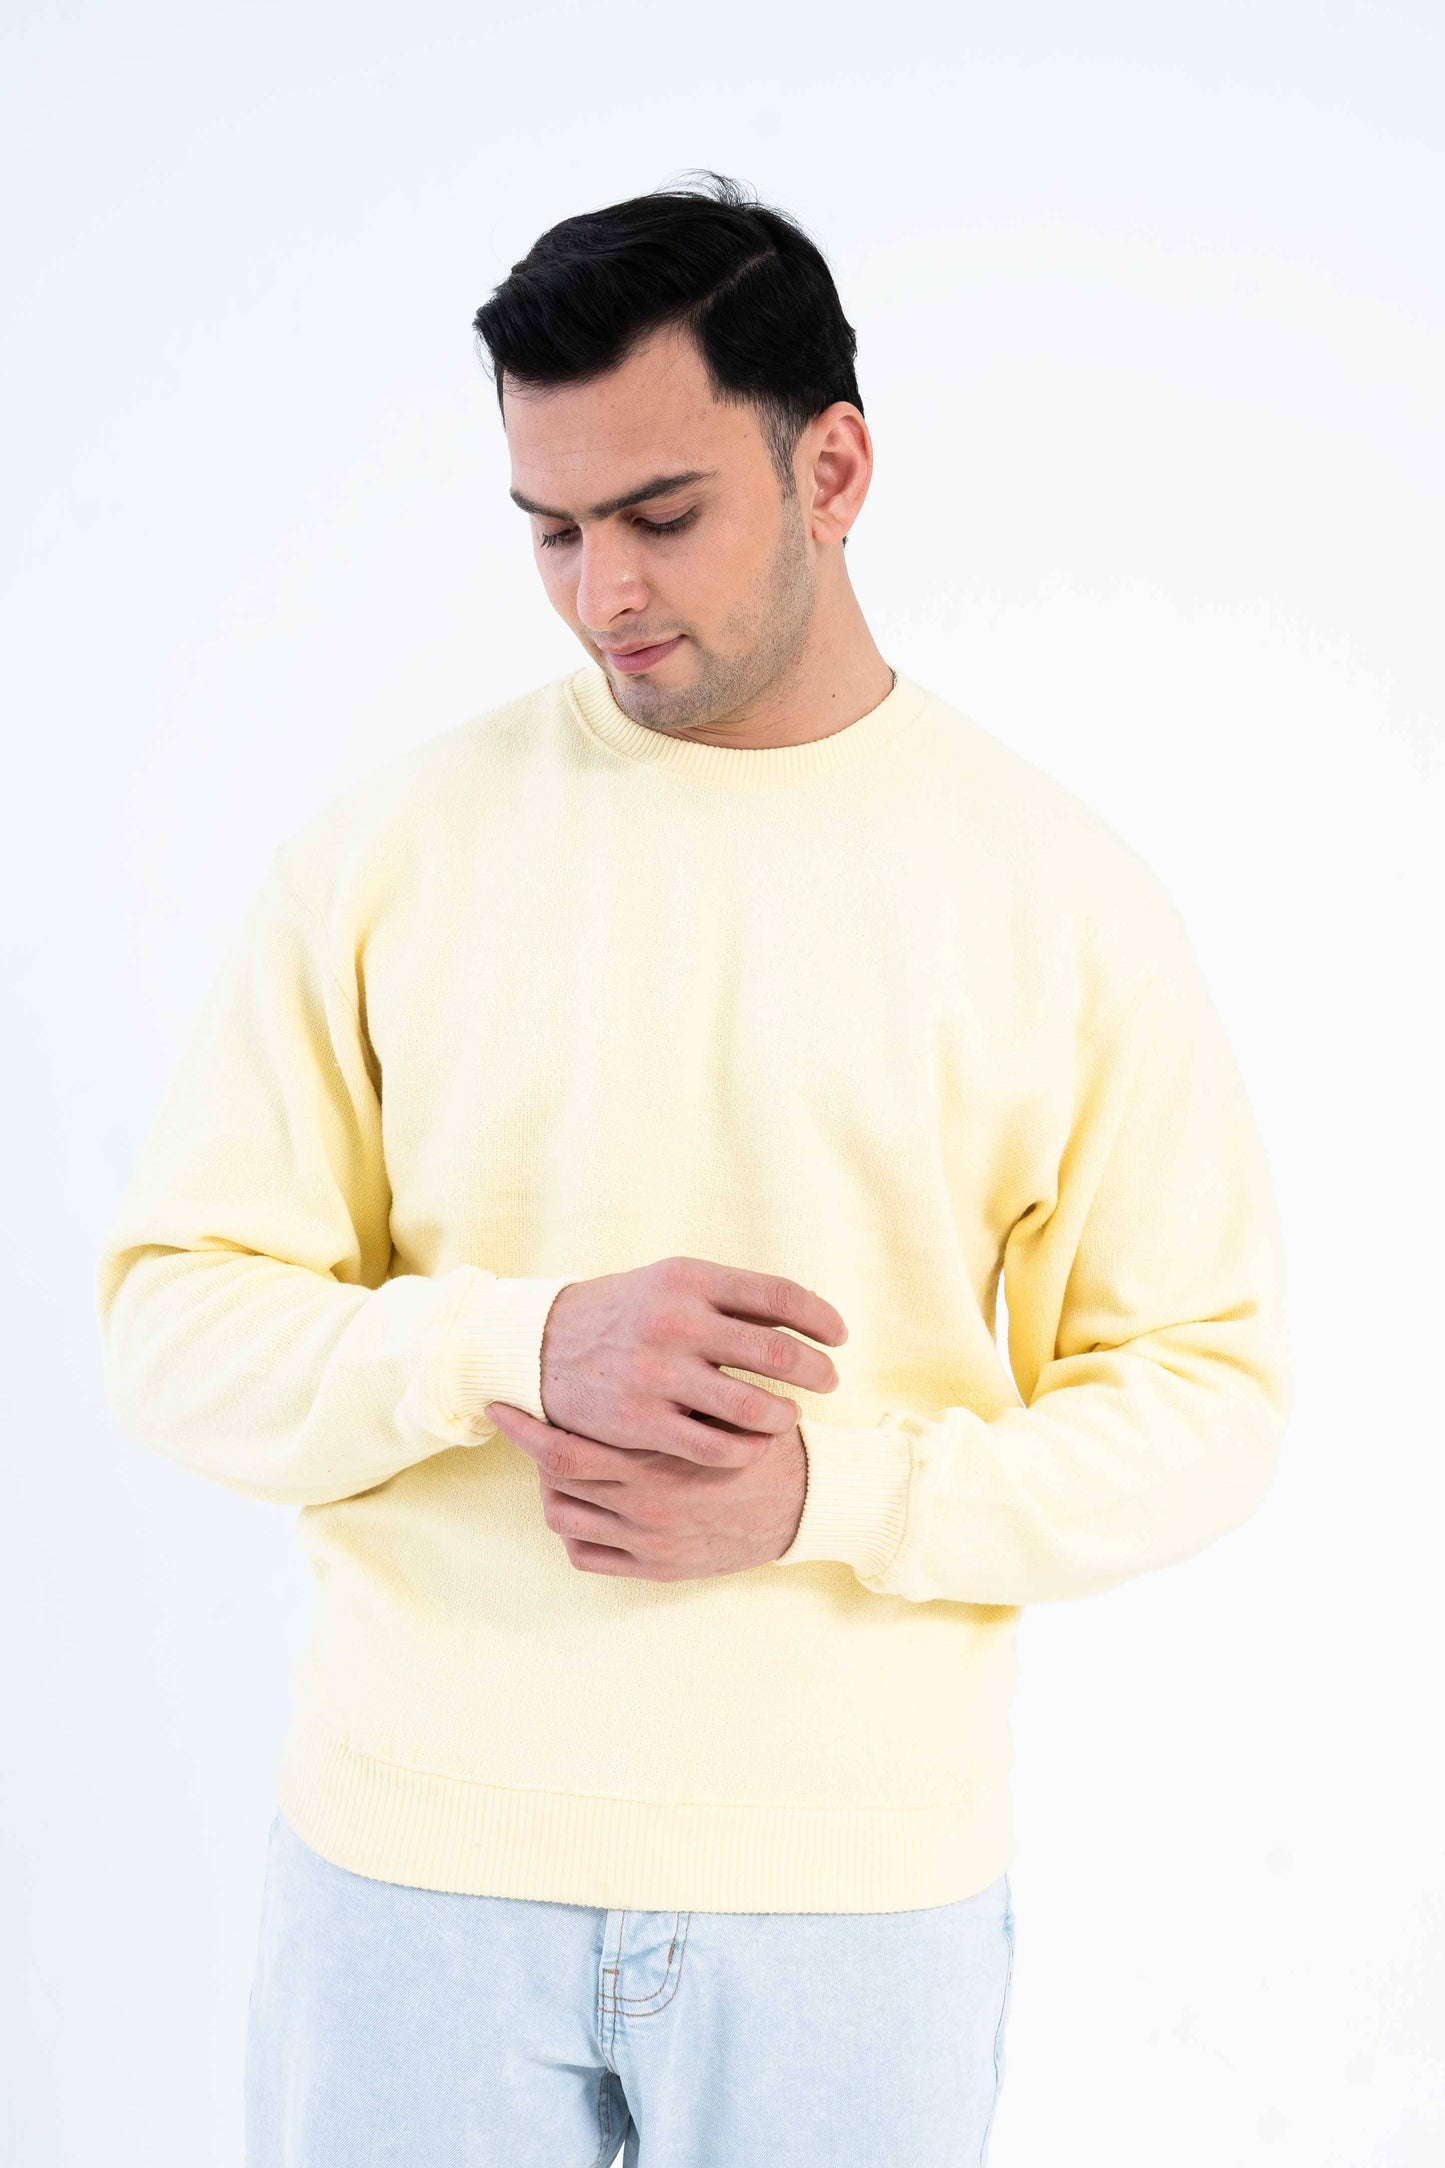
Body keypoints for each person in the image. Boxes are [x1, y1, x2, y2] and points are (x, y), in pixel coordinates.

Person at [97, 169, 1293, 2167]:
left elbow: (1208, 1397)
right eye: (551, 529)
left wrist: (833, 1489)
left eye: (662, 516)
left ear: (834, 468)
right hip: (413, 1874)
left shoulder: (1057, 898)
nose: (604, 595)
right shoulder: (386, 857)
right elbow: (171, 1325)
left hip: (852, 1899)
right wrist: (513, 1343)